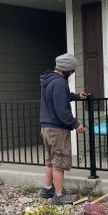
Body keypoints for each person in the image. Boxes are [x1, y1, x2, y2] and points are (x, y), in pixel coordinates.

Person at [40, 53, 86, 205]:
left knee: (50, 161)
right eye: (72, 70)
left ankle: (47, 189)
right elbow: (62, 110)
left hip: (46, 127)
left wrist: (77, 96)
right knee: (59, 161)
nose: (72, 73)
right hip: (57, 130)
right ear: (66, 69)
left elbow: (60, 97)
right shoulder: (59, 83)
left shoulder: (49, 80)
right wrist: (76, 124)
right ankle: (59, 196)